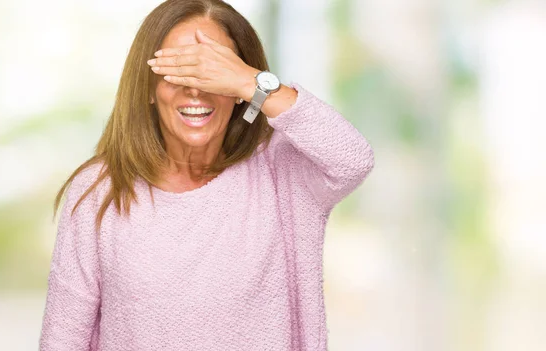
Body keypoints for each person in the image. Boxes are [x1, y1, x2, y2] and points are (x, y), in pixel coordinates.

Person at [39, 0, 374, 350]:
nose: (195, 89)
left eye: (212, 71)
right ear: (148, 88)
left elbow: (352, 159)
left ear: (240, 91)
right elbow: (63, 338)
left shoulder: (281, 170)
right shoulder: (100, 190)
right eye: (178, 70)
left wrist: (253, 82)